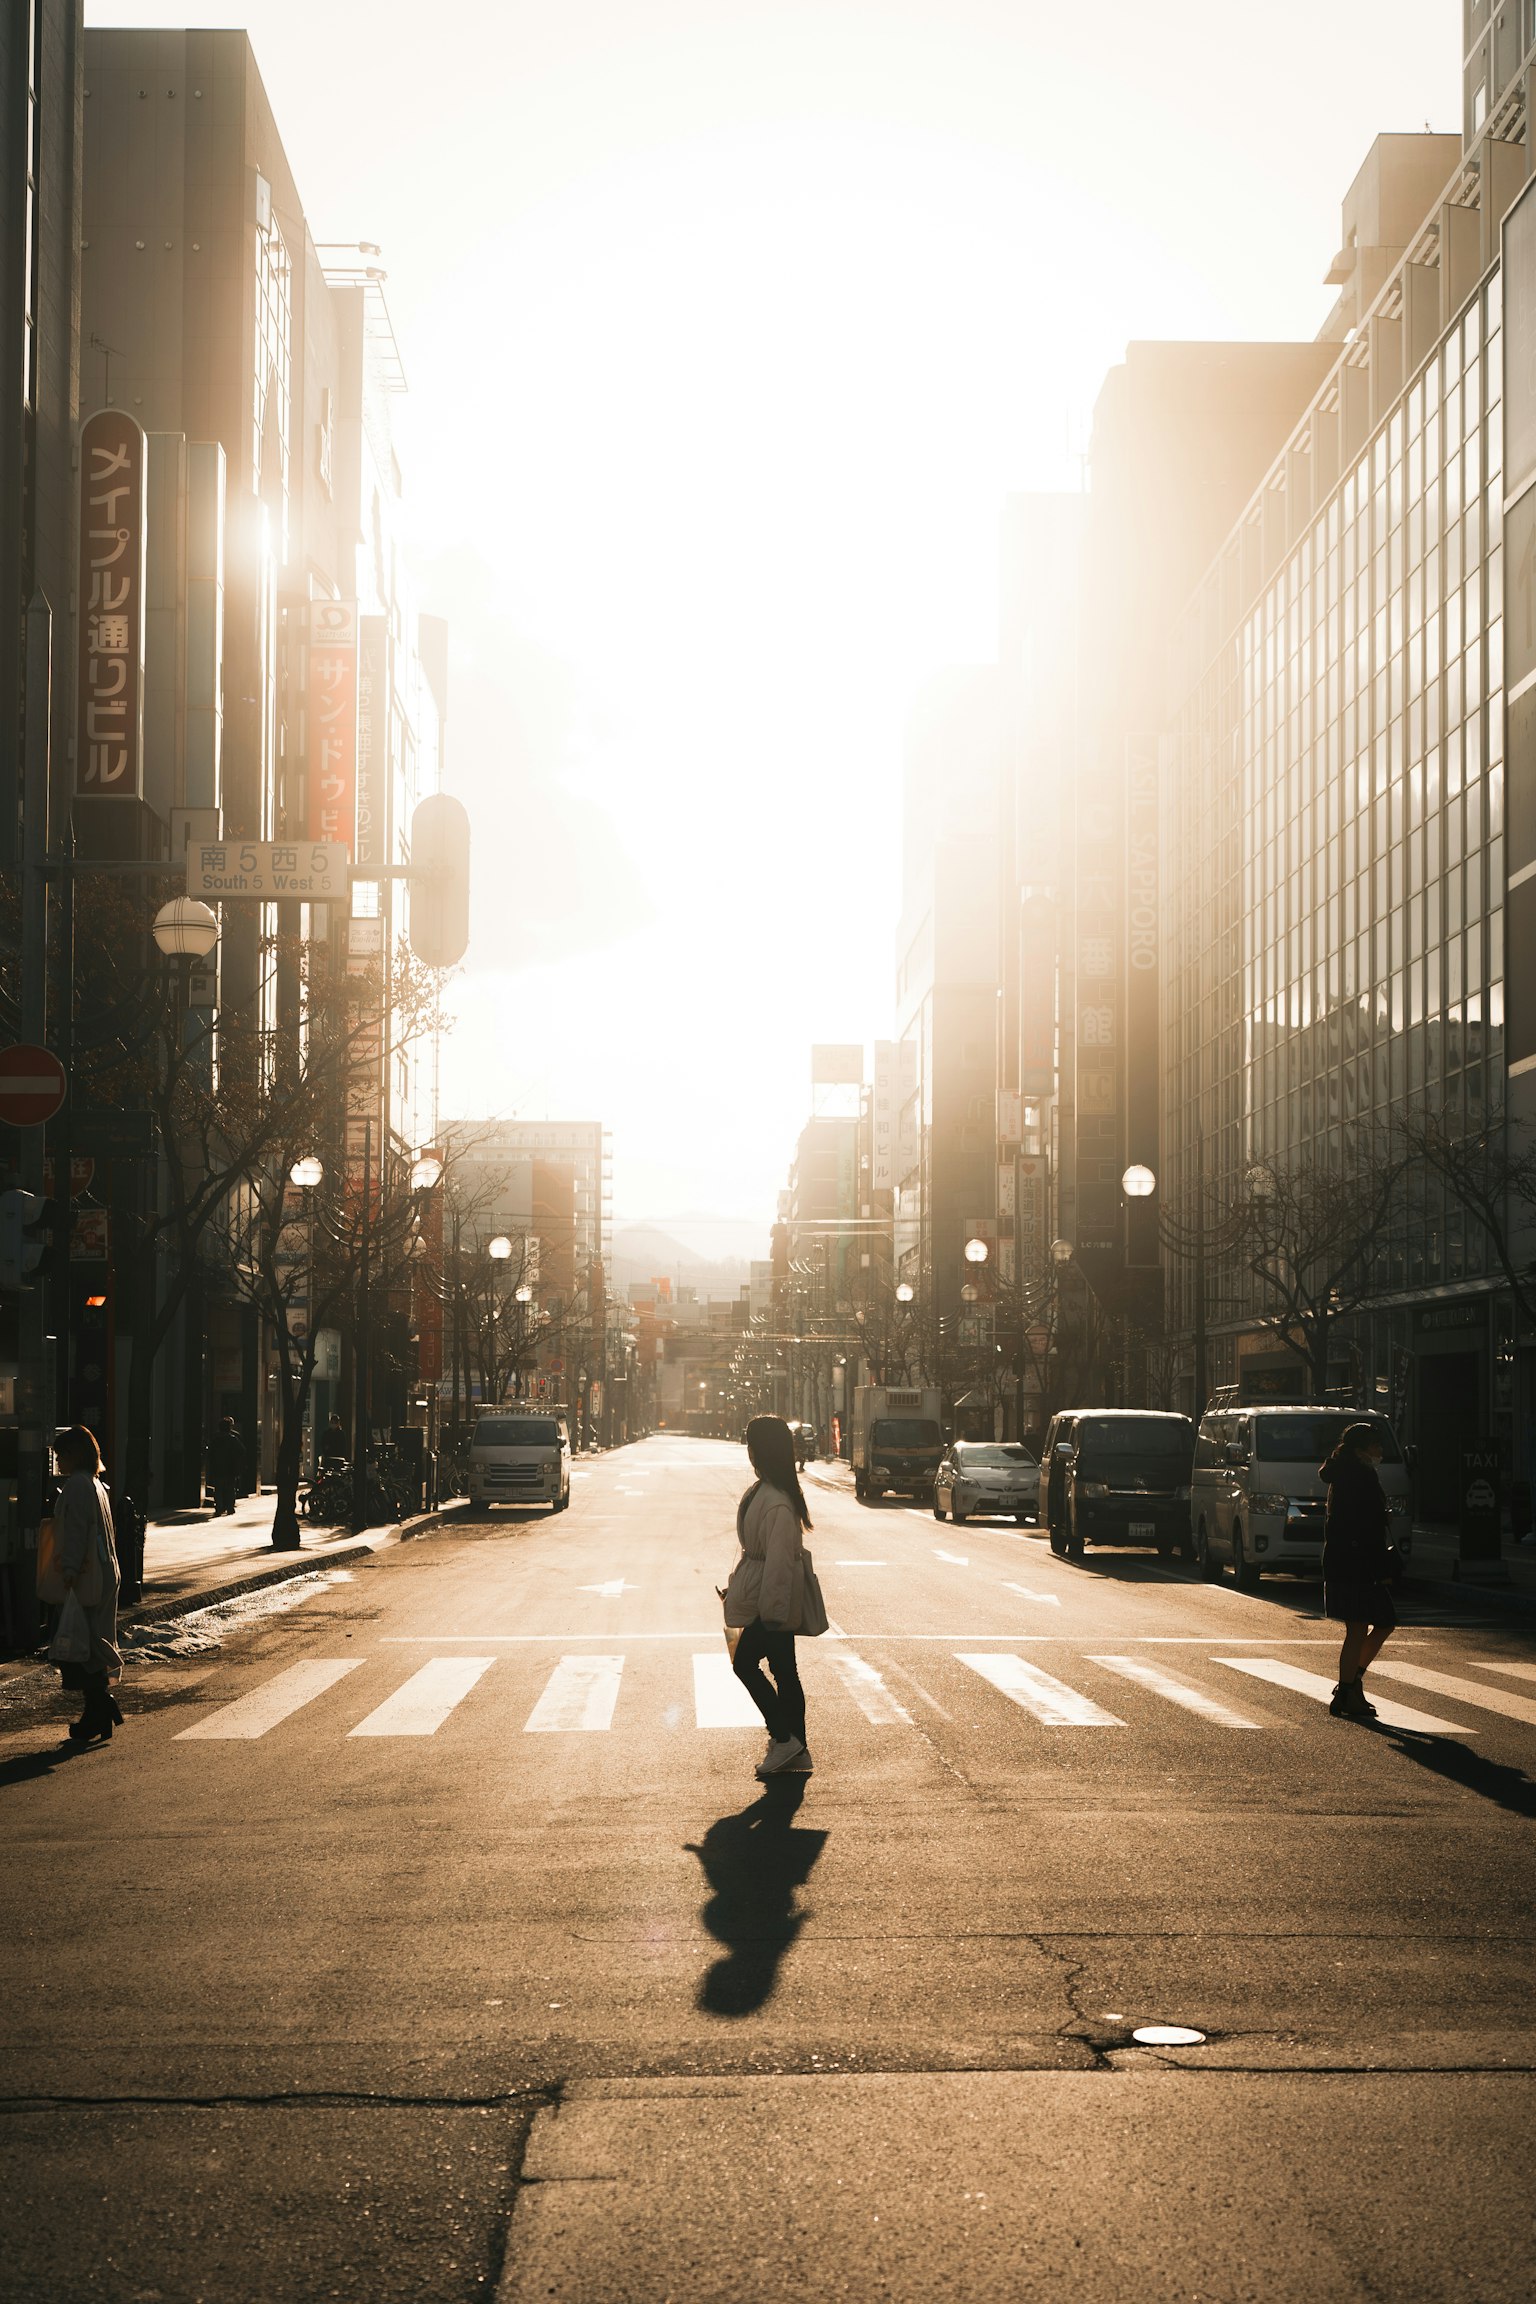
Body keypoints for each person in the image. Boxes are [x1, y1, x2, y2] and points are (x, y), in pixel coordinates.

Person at [725, 1414, 815, 1779]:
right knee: (783, 1671)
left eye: (751, 1445)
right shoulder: (768, 1490)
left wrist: (773, 1611)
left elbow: (778, 1563)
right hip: (767, 1593)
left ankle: (784, 1738)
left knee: (745, 1664)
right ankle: (796, 1747)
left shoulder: (775, 1499)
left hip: (774, 1599)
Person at [1321, 1420, 1398, 1720]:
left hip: (1346, 1559)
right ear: (1360, 1449)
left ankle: (1350, 1686)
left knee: (1373, 1624)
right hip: (1356, 1561)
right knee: (1362, 1626)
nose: (1380, 1450)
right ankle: (1347, 1689)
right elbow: (1362, 1525)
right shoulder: (1358, 1475)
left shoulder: (1348, 1472)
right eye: (1375, 1445)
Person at [52, 1424, 123, 1747]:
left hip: (87, 1575)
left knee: (82, 1644)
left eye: (61, 1455)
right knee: (92, 1640)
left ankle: (98, 1708)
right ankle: (98, 1708)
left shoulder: (78, 1486)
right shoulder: (96, 1485)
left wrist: (68, 1570)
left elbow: (77, 1531)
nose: (59, 1462)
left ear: (74, 1454)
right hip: (104, 1571)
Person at [207, 1415, 246, 1516]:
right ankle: (230, 1507)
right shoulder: (233, 1439)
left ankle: (219, 1507)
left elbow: (210, 1453)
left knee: (218, 1489)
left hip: (218, 1468)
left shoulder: (215, 1439)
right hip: (230, 1468)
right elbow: (242, 1451)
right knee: (230, 1488)